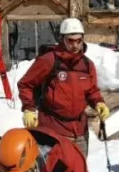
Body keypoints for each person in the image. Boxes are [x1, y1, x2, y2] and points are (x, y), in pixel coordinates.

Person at [17, 18, 109, 157]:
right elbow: (26, 84)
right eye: (70, 40)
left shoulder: (87, 64)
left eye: (79, 40)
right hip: (54, 128)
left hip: (79, 130)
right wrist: (29, 108)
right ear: (62, 39)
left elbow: (91, 90)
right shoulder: (49, 60)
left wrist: (99, 102)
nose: (75, 45)